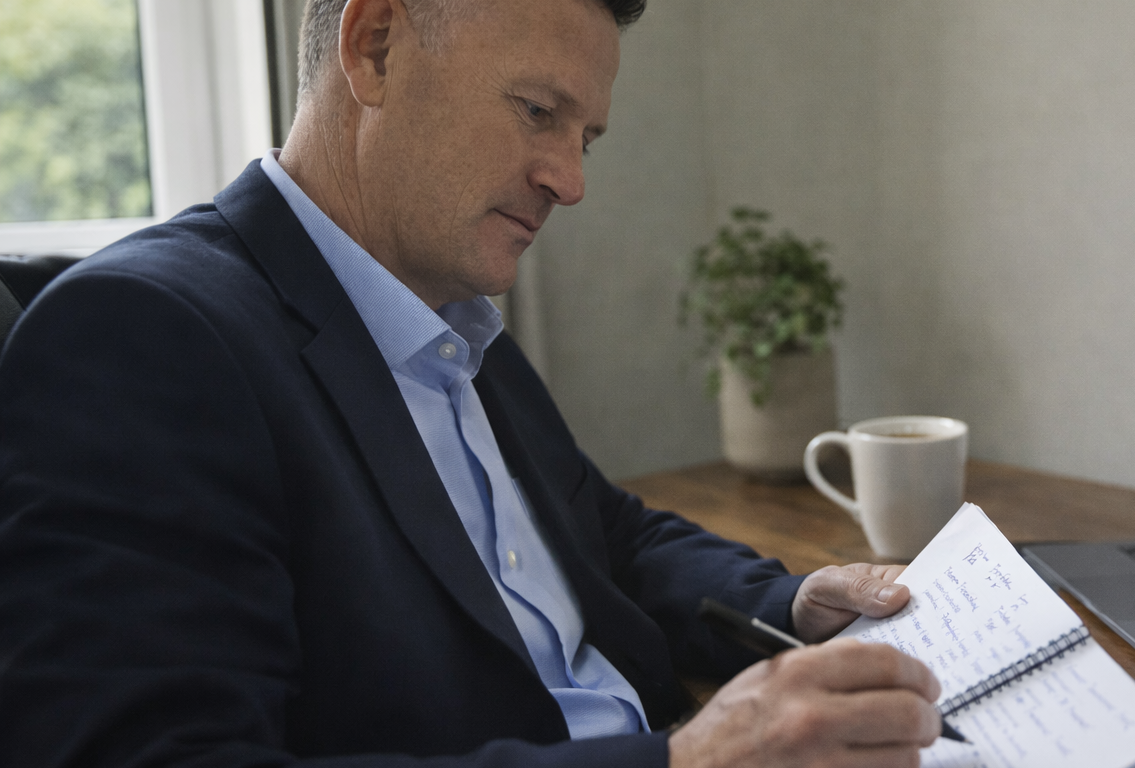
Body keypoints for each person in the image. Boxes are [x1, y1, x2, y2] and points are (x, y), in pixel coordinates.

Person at [0, 0, 946, 766]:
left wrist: (791, 601)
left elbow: (602, 535)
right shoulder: (145, 334)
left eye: (588, 137)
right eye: (539, 112)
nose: (570, 181)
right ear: (374, 48)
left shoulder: (446, 313)